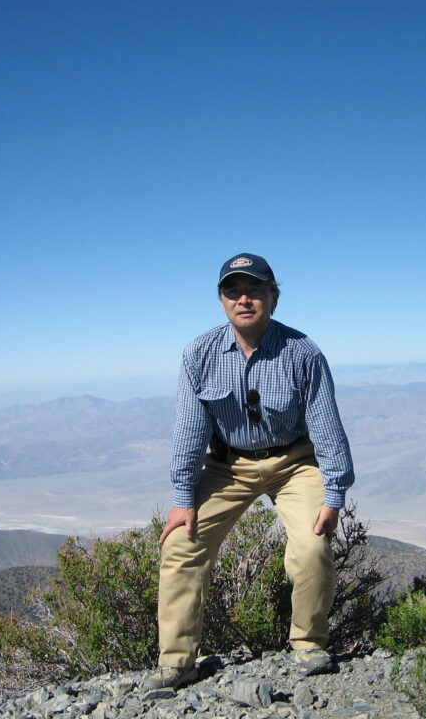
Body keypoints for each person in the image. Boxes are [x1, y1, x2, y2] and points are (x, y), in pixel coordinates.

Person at [142, 252, 355, 690]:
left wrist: (334, 495)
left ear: (273, 297)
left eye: (254, 290)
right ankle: (177, 663)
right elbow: (189, 429)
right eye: (233, 291)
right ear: (221, 300)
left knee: (312, 545)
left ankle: (309, 643)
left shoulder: (303, 353)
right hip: (227, 465)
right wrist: (183, 497)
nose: (243, 299)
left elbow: (327, 427)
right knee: (181, 544)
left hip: (294, 464)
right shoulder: (199, 353)